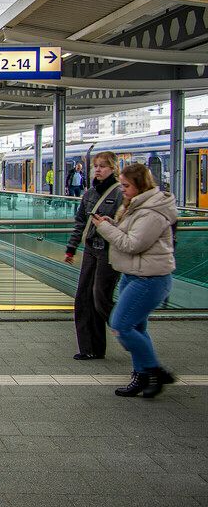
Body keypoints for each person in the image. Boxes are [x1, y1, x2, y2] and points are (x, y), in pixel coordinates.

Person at [92, 162, 177, 398]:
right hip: (133, 274)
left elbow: (132, 244)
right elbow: (131, 234)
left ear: (140, 185)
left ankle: (154, 370)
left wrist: (105, 229)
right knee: (137, 326)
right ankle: (141, 375)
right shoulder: (137, 204)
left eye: (126, 185)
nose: (123, 189)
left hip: (150, 279)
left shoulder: (152, 211)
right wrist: (112, 224)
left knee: (120, 324)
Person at [64, 152, 123, 361]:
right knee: (83, 298)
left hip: (109, 251)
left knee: (100, 297)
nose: (98, 170)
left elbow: (126, 225)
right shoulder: (89, 193)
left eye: (103, 166)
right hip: (91, 249)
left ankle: (127, 329)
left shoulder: (120, 194)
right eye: (96, 166)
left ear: (113, 168)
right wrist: (71, 248)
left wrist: (110, 224)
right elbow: (81, 222)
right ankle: (90, 348)